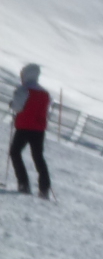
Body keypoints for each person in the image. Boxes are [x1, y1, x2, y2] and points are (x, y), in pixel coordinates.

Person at [9, 63, 51, 199]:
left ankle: (24, 184)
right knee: (38, 156)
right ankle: (44, 188)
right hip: (39, 129)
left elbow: (17, 107)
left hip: (24, 127)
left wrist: (12, 104)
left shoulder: (23, 90)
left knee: (15, 152)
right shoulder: (45, 93)